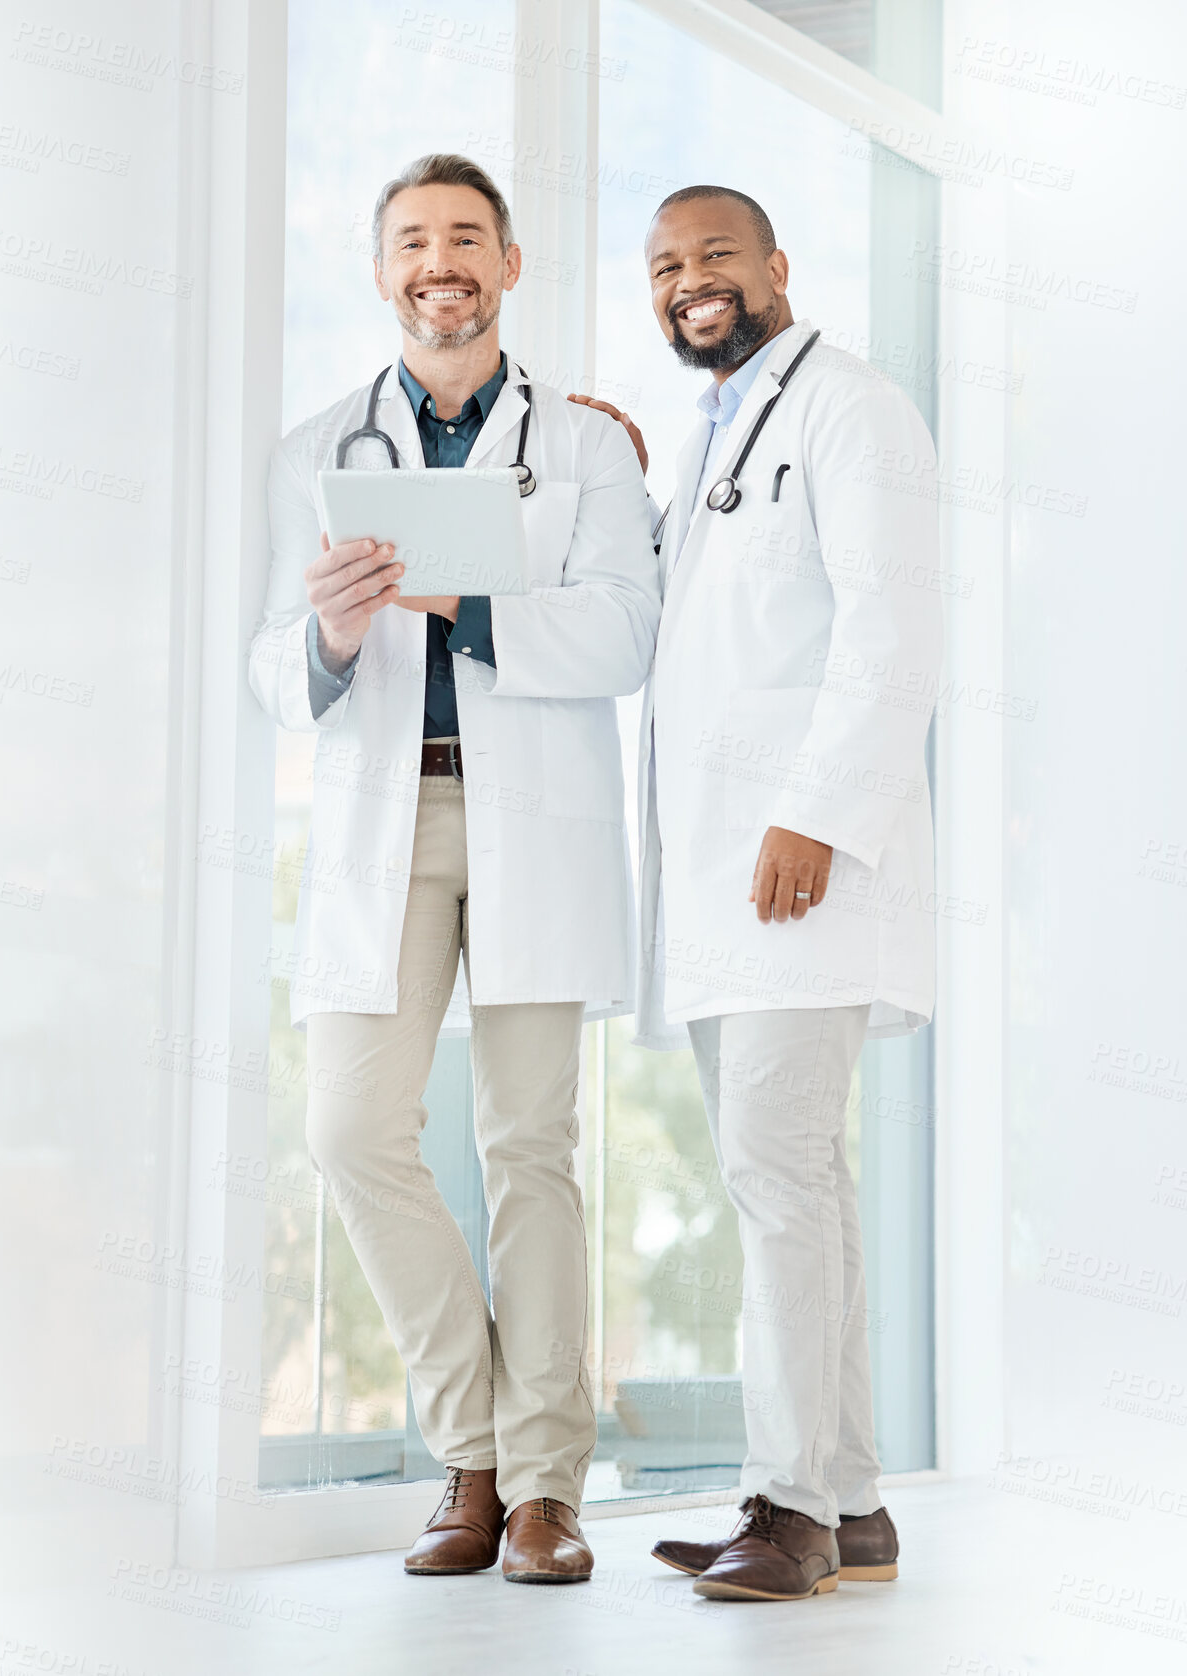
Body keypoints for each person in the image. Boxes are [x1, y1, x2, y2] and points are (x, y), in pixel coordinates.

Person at [249, 153, 660, 1585]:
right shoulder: (318, 450)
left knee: (527, 1146)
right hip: (386, 815)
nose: (444, 262)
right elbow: (263, 664)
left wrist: (463, 607)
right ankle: (475, 1448)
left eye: (469, 238)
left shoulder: (591, 449)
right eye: (415, 241)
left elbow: (624, 638)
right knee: (353, 1131)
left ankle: (544, 1489)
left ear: (510, 263)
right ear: (381, 272)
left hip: (532, 812)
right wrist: (334, 637)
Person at [571, 184, 942, 1602]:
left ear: (776, 267)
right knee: (802, 1184)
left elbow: (892, 629)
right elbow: (707, 632)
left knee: (778, 1180)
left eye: (715, 255)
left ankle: (784, 1502)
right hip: (732, 882)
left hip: (800, 868)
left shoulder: (851, 407)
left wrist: (814, 814)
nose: (690, 282)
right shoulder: (725, 435)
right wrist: (629, 478)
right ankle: (847, 1505)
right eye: (665, 265)